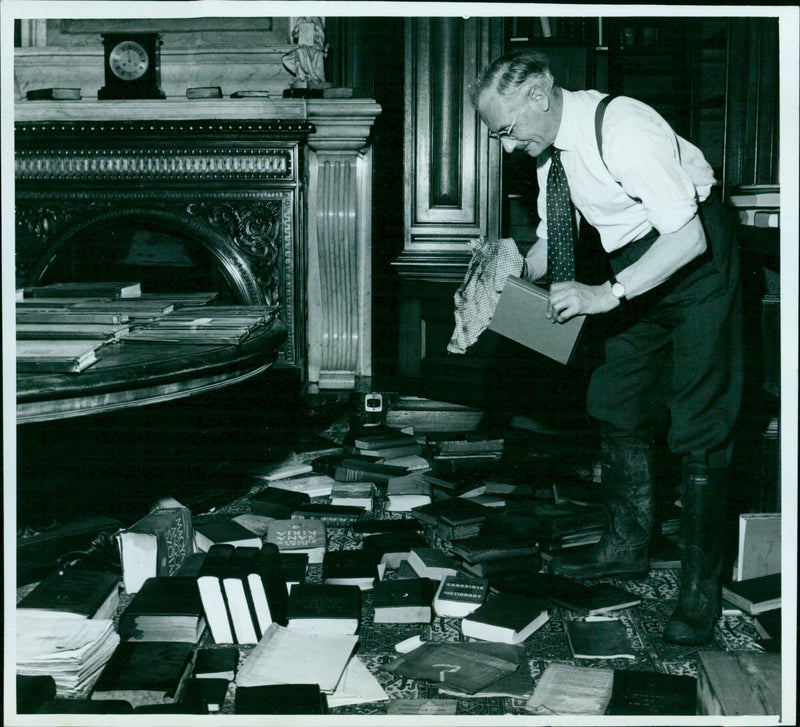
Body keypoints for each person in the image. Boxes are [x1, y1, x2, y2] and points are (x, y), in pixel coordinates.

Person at [471, 50, 742, 645]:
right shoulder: (553, 156)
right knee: (614, 399)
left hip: (695, 263)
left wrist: (608, 294)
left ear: (538, 95)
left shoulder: (625, 130)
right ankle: (623, 548)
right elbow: (549, 243)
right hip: (633, 266)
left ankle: (700, 594)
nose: (508, 146)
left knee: (700, 419)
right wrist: (494, 283)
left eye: (507, 130)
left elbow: (688, 237)